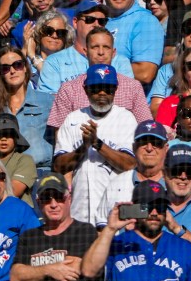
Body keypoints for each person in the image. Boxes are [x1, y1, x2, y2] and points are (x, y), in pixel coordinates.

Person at [82, 181, 191, 281]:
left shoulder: (184, 248)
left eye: (160, 206)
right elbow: (89, 271)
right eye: (148, 206)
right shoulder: (115, 245)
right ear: (136, 208)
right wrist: (110, 229)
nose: (154, 213)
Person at [53, 64, 137, 224]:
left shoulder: (126, 118)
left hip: (114, 211)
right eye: (96, 88)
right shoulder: (73, 118)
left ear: (116, 89)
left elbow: (130, 164)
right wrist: (83, 147)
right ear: (86, 89)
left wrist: (97, 144)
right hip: (80, 210)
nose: (102, 93)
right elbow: (58, 166)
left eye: (108, 88)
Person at [10, 174, 101, 281]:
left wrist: (33, 272)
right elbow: (16, 276)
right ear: (39, 202)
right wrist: (49, 269)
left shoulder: (85, 231)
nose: (53, 204)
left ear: (69, 199)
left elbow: (78, 268)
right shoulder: (30, 237)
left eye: (59, 197)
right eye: (47, 199)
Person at [37, 1, 135, 94]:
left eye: (102, 21)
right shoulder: (55, 62)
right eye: (90, 20)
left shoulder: (121, 62)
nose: (96, 25)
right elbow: (48, 101)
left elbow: (128, 97)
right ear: (75, 22)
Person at [102, 0, 164, 86]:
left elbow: (145, 72)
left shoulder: (145, 21)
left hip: (132, 101)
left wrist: (97, 66)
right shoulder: (97, 20)